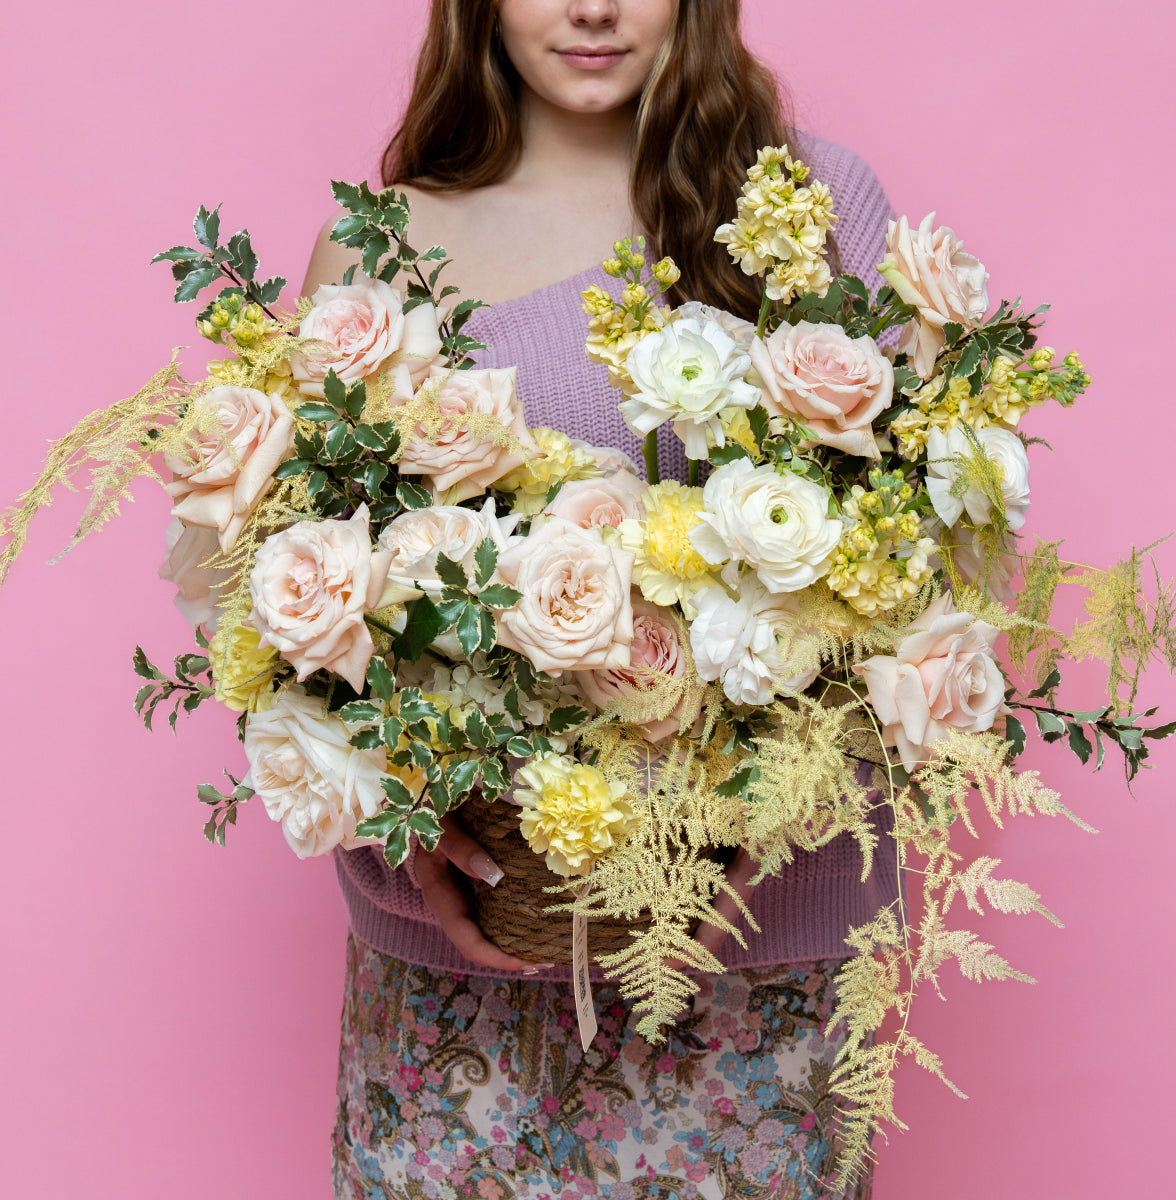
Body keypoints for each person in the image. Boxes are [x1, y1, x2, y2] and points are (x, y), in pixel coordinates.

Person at [303, 2, 897, 1195]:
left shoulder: (812, 205)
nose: (592, 6)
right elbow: (292, 608)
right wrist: (405, 843)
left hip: (753, 970)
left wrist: (774, 800)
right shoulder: (384, 248)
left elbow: (920, 577)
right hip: (470, 979)